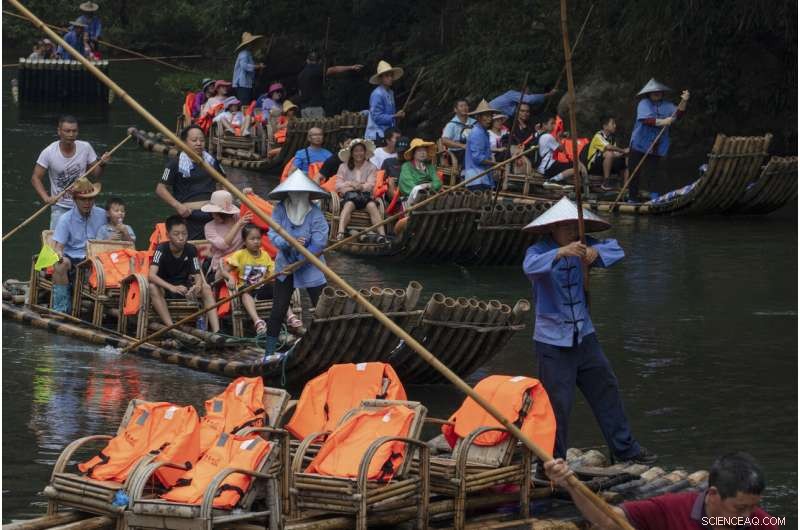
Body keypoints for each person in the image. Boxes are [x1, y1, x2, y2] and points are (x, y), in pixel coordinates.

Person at [522, 197, 656, 464]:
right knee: (557, 404)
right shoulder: (539, 251)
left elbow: (615, 250)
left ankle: (625, 449)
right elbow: (530, 267)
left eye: (575, 226)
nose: (572, 232)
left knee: (606, 388)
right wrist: (560, 253)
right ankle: (552, 460)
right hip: (553, 341)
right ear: (554, 228)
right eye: (567, 227)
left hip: (584, 335)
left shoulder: (585, 246)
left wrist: (597, 254)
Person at [544, 452, 779, 530]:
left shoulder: (764, 524)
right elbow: (607, 519)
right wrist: (570, 484)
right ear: (713, 494)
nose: (749, 516)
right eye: (740, 508)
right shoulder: (672, 509)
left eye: (753, 506)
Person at [263, 170, 330, 358]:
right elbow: (274, 235)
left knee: (323, 308)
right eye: (295, 193)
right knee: (279, 308)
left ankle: (325, 347)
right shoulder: (279, 210)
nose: (298, 197)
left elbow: (319, 242)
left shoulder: (315, 214)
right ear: (289, 194)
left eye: (302, 193)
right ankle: (269, 351)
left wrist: (301, 258)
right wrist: (290, 241)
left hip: (311, 264)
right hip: (285, 265)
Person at [32, 115, 110, 230]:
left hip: (85, 204)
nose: (71, 134)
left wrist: (102, 163)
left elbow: (96, 174)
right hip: (60, 207)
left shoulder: (85, 147)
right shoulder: (49, 152)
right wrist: (46, 198)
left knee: (92, 240)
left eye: (74, 131)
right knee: (56, 243)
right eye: (67, 131)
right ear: (59, 131)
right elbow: (35, 178)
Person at [149, 215, 220, 333]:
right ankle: (171, 327)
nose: (181, 238)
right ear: (168, 235)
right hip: (165, 288)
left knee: (206, 288)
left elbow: (197, 272)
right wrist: (172, 287)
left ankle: (217, 331)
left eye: (184, 233)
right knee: (152, 287)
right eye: (176, 234)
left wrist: (196, 286)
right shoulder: (161, 249)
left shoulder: (191, 249)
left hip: (184, 289)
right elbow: (151, 275)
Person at [155, 124, 222, 240]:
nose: (199, 143)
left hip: (214, 215)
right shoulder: (174, 164)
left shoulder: (212, 161)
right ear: (184, 143)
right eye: (194, 140)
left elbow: (223, 183)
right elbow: (160, 189)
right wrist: (177, 205)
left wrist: (223, 204)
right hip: (190, 215)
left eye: (201, 140)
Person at [628, 78, 690, 202]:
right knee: (634, 171)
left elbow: (678, 114)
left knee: (653, 172)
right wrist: (662, 121)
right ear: (649, 93)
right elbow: (645, 120)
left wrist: (684, 101)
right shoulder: (643, 103)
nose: (657, 94)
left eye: (659, 92)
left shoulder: (667, 105)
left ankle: (654, 196)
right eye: (654, 92)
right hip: (639, 143)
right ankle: (632, 198)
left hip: (656, 144)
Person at [50, 177, 105, 312]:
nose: (87, 203)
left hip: (96, 259)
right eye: (83, 199)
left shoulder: (103, 214)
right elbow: (58, 248)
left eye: (90, 199)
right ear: (75, 200)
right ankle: (61, 308)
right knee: (60, 264)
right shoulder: (65, 219)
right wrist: (59, 255)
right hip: (74, 258)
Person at [222, 224, 275, 336]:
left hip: (262, 290)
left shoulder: (265, 255)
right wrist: (230, 277)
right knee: (244, 291)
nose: (256, 242)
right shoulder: (240, 255)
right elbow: (224, 270)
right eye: (252, 239)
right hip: (247, 290)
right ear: (244, 241)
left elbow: (272, 273)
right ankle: (258, 322)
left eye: (258, 238)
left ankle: (290, 316)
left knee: (278, 288)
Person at [334, 138, 385, 242]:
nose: (359, 153)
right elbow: (338, 185)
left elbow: (371, 184)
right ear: (352, 153)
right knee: (348, 205)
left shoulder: (371, 167)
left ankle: (382, 234)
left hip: (365, 197)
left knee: (372, 206)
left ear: (365, 152)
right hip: (350, 197)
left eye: (361, 150)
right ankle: (340, 232)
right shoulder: (343, 167)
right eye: (356, 151)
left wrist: (361, 187)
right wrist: (351, 184)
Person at [198, 190, 251, 280]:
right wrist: (238, 224)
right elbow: (223, 245)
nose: (213, 215)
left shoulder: (239, 216)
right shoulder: (209, 227)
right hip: (222, 266)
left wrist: (250, 195)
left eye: (215, 213)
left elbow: (254, 210)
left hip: (243, 260)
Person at [295, 51, 363, 118]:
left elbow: (300, 92)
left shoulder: (300, 75)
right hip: (315, 107)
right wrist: (351, 67)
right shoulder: (317, 70)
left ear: (307, 60)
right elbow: (334, 69)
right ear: (320, 61)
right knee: (318, 128)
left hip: (303, 107)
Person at [538, 114, 587, 184]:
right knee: (576, 167)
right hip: (547, 167)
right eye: (552, 123)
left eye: (554, 123)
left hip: (546, 165)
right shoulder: (547, 137)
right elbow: (561, 149)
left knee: (570, 165)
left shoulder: (541, 135)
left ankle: (559, 181)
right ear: (544, 125)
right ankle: (552, 180)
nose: (554, 126)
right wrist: (559, 138)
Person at [464, 99, 498, 191]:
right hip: (476, 178)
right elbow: (478, 158)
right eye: (486, 116)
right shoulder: (477, 133)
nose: (489, 119)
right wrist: (495, 164)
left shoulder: (484, 132)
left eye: (490, 116)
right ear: (478, 117)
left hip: (483, 177)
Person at [365, 60, 404, 141]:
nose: (390, 78)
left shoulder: (390, 93)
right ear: (380, 78)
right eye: (387, 76)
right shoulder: (377, 94)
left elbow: (390, 114)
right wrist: (394, 116)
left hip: (388, 134)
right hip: (377, 135)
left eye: (391, 76)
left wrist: (396, 116)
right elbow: (377, 117)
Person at [587, 116, 629, 191]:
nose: (615, 126)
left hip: (607, 163)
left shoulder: (612, 138)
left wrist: (624, 152)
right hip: (594, 166)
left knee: (625, 157)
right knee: (609, 153)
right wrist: (623, 150)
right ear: (605, 126)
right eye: (612, 123)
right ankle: (606, 183)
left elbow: (615, 153)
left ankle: (625, 186)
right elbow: (608, 147)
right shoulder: (598, 136)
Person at [399, 138, 441, 205]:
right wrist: (421, 188)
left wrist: (428, 185)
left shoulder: (430, 167)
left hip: (431, 197)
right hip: (411, 200)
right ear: (413, 153)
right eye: (419, 150)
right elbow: (408, 185)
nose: (423, 153)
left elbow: (438, 183)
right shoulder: (406, 166)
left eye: (424, 150)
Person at [231, 32, 265, 105]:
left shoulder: (249, 54)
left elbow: (250, 67)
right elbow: (244, 66)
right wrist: (258, 66)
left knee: (248, 104)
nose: (252, 44)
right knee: (244, 104)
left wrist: (258, 67)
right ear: (247, 44)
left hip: (247, 83)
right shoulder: (244, 54)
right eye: (250, 43)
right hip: (242, 84)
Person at [440, 99, 476, 167]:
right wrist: (462, 146)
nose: (464, 108)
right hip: (458, 152)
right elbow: (444, 140)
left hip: (474, 150)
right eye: (461, 106)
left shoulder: (474, 122)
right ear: (455, 110)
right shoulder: (451, 124)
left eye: (466, 106)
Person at [489, 88, 557, 117]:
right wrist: (549, 94)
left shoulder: (514, 105)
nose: (528, 94)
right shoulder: (511, 94)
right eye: (527, 93)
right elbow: (530, 99)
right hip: (486, 115)